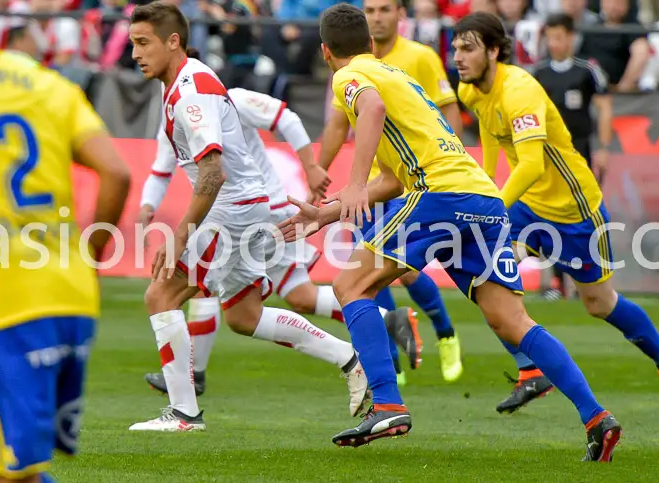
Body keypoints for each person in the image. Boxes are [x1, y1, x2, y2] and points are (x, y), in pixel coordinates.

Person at [280, 5, 621, 461]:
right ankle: (597, 417)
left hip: (441, 197)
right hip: (483, 199)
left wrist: (354, 182)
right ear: (366, 40)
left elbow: (371, 110)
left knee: (349, 284)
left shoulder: (351, 78)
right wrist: (326, 213)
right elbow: (393, 180)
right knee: (513, 321)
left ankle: (386, 403)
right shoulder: (399, 77)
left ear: (326, 51)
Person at [125, 2, 370, 432]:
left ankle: (184, 414)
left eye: (143, 42)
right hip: (248, 206)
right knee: (243, 316)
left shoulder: (190, 92)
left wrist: (182, 232)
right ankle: (350, 359)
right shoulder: (182, 84)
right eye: (132, 44)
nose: (135, 53)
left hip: (232, 210)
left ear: (173, 41)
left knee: (160, 294)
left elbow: (213, 172)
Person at [0, 1, 132, 482]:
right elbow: (116, 172)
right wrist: (87, 258)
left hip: (0, 303)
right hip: (72, 294)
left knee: (5, 473)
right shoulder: (43, 81)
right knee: (19, 471)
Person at [454, 12, 659, 422]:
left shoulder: (520, 90)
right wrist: (488, 184)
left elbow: (528, 164)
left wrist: (493, 207)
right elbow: (490, 130)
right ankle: (530, 369)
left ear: (493, 51)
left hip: (573, 207)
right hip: (528, 206)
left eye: (468, 48)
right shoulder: (471, 89)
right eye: (455, 47)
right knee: (484, 275)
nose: (457, 56)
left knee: (599, 304)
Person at [139, 77, 416, 397]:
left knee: (201, 287)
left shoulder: (226, 98)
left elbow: (285, 116)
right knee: (291, 297)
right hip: (249, 210)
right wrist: (148, 204)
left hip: (260, 210)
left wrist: (313, 166)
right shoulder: (175, 114)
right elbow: (161, 167)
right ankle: (384, 322)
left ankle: (192, 377)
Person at [318, 0, 464, 385]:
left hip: (427, 182)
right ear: (367, 33)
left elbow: (385, 109)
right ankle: (393, 362)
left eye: (385, 9)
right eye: (372, 9)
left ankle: (441, 336)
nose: (379, 15)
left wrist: (352, 185)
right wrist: (320, 172)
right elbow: (339, 124)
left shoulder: (416, 58)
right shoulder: (372, 70)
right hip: (393, 178)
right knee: (374, 268)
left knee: (377, 276)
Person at [531, 13, 613, 300]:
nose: (554, 43)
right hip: (547, 155)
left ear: (570, 37)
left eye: (559, 37)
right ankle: (555, 282)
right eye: (550, 37)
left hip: (579, 152)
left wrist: (603, 147)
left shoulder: (588, 69)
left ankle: (584, 280)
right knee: (548, 214)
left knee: (582, 215)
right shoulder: (538, 73)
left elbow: (604, 107)